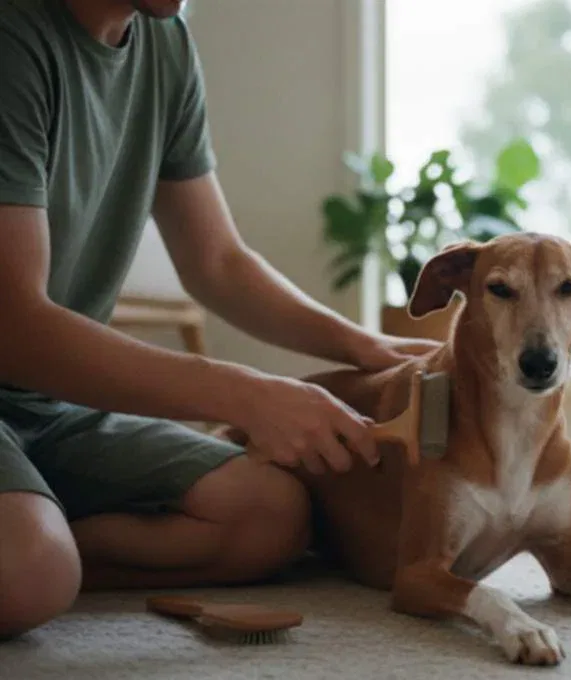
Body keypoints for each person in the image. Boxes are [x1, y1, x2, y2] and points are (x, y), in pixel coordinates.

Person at [0, 0, 439, 639]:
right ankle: (35, 552)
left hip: (58, 405)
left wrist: (364, 347)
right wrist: (246, 394)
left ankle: (37, 533)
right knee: (32, 571)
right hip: (23, 361)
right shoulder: (13, 38)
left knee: (270, 515)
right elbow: (17, 329)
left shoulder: (164, 42)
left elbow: (219, 262)